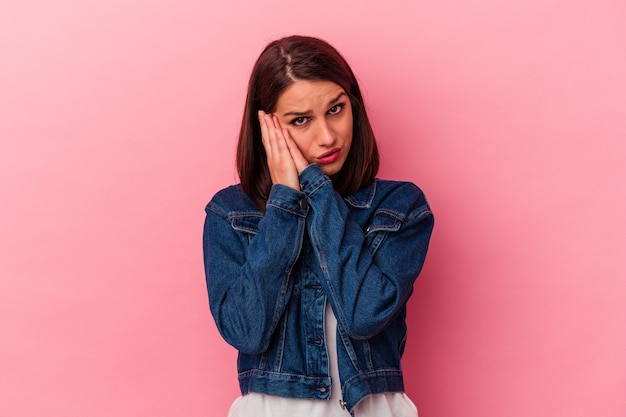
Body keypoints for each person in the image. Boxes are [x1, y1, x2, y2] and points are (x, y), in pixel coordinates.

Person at [203, 35, 434, 417]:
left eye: (336, 109)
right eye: (300, 120)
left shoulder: (398, 207)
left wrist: (313, 183)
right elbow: (246, 331)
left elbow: (363, 314)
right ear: (268, 129)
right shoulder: (231, 213)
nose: (327, 137)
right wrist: (284, 205)